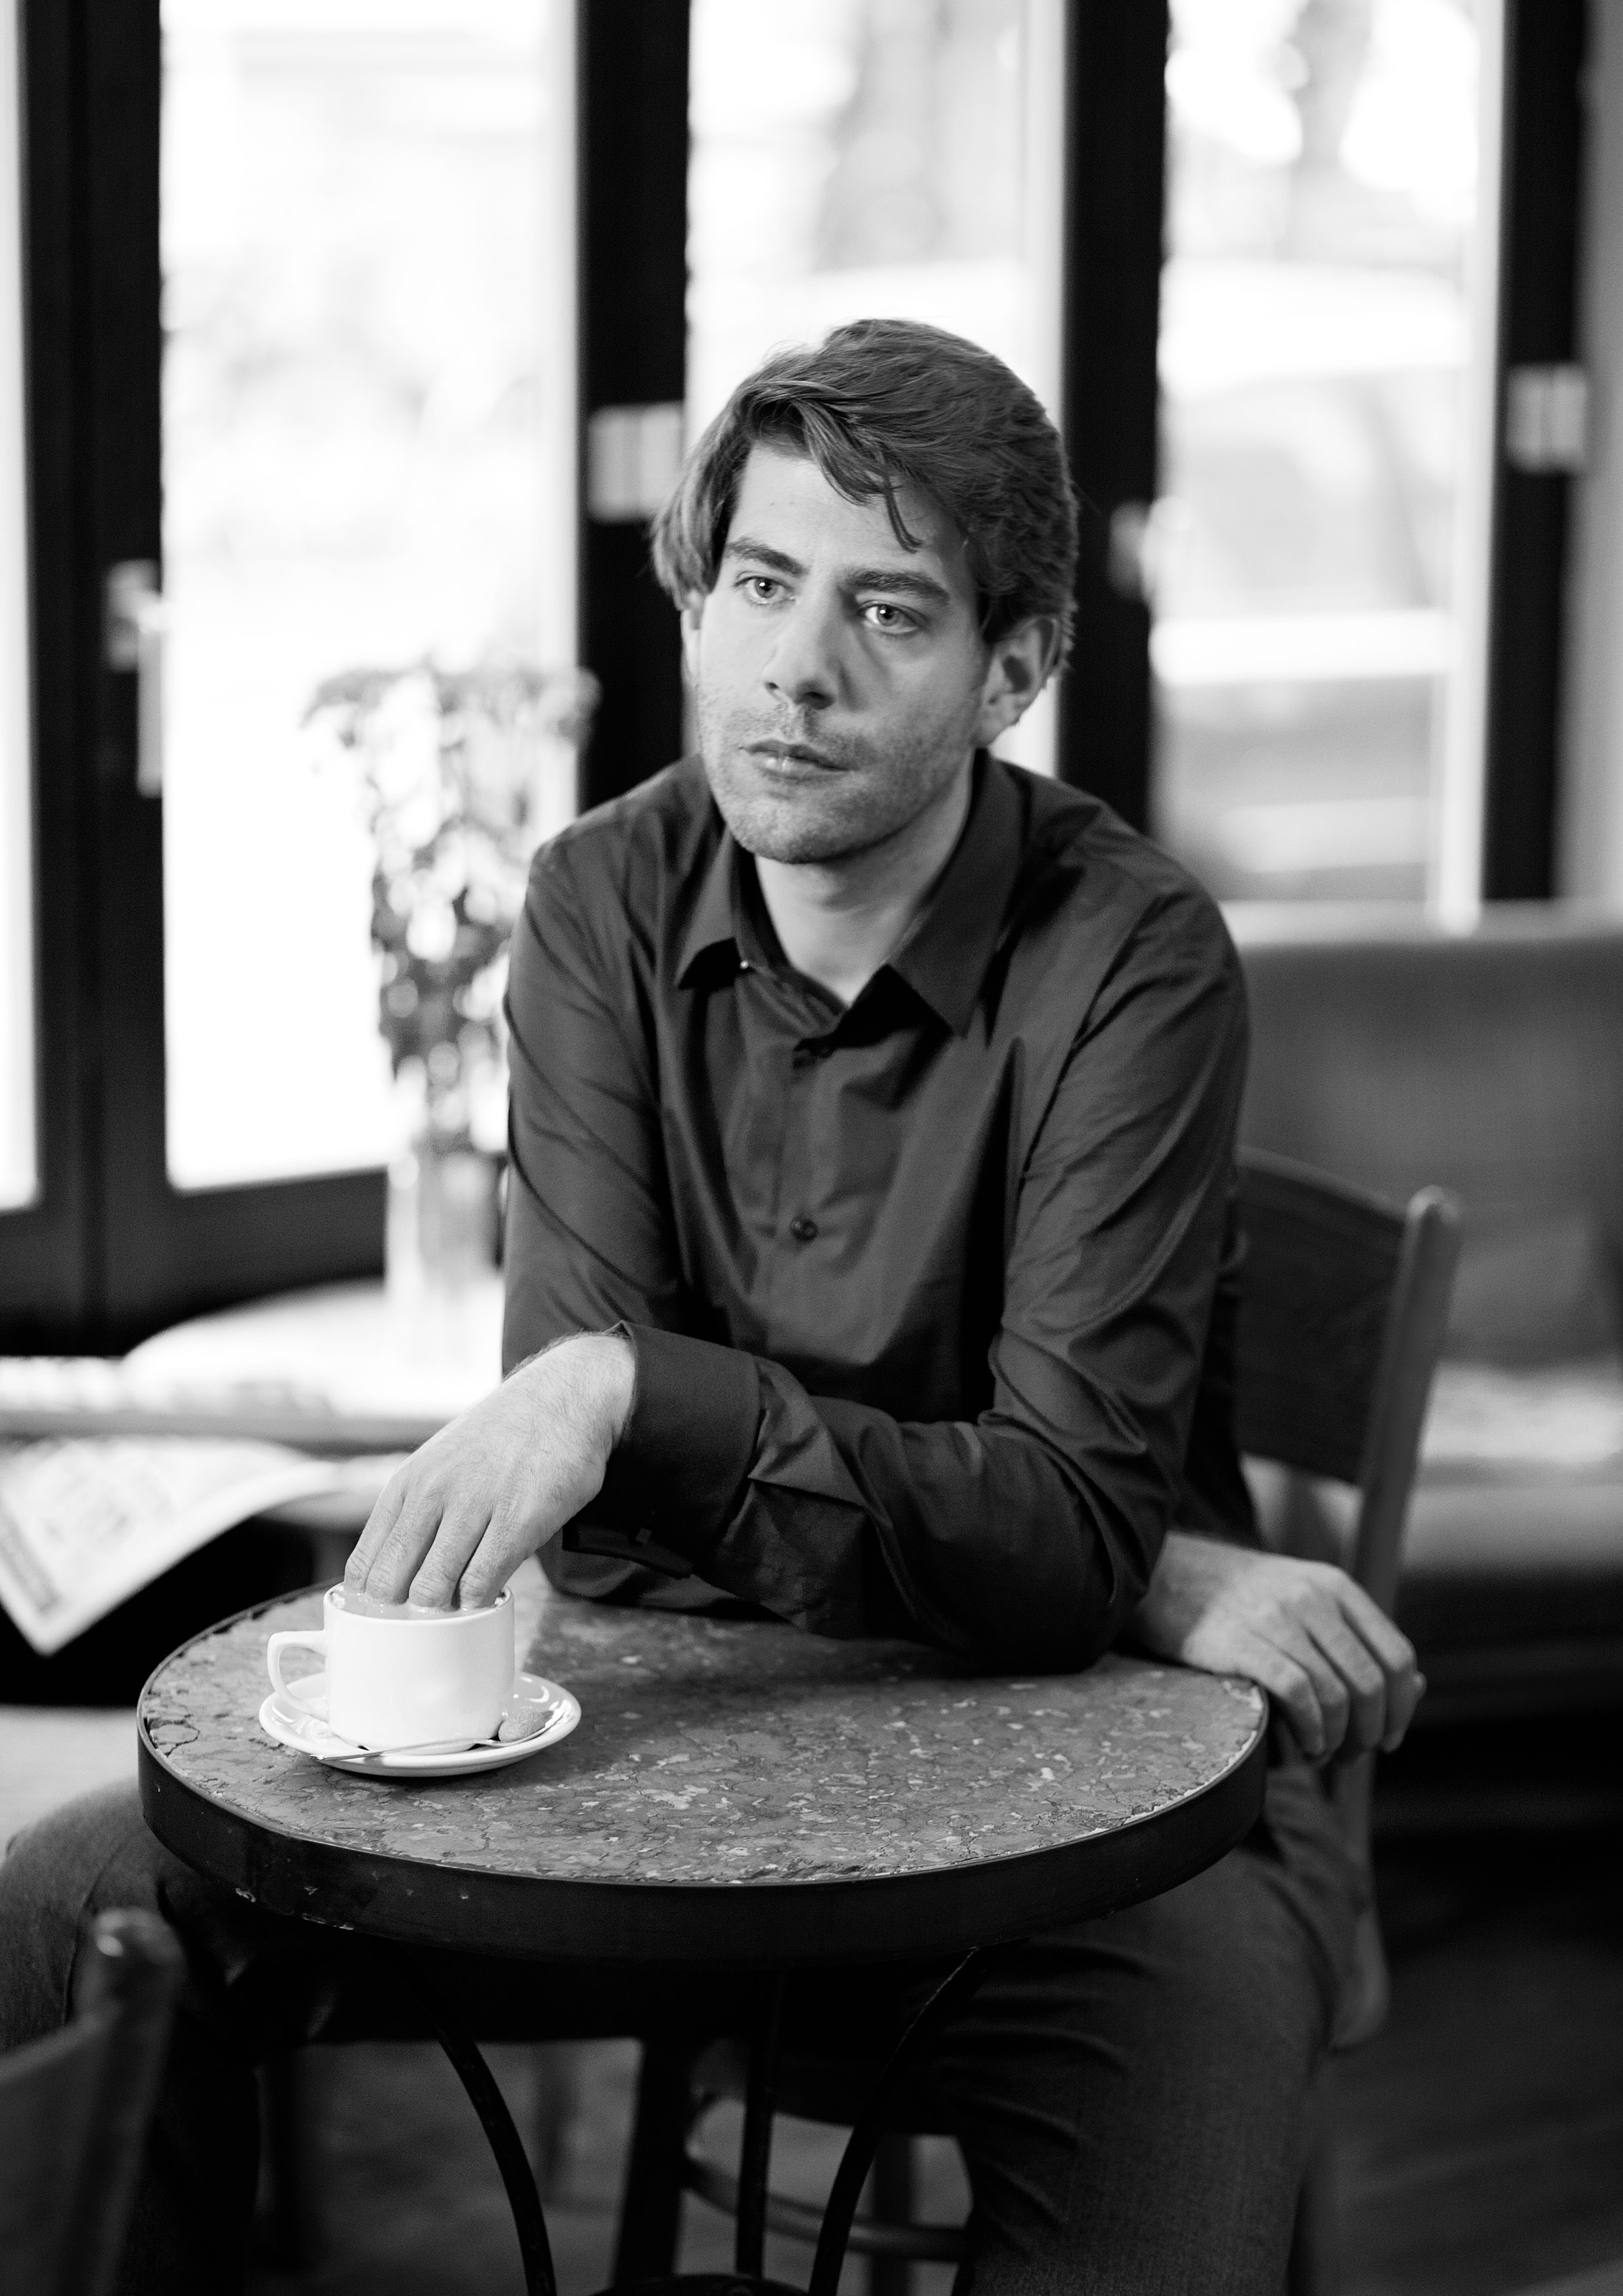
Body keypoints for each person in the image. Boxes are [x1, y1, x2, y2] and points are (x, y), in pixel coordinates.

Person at [0, 319, 1421, 2294]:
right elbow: (614, 1537)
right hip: (663, 1775)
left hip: (1098, 1821)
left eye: (888, 612)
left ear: (1014, 669)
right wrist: (1127, 1554)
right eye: (759, 583)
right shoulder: (599, 900)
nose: (795, 669)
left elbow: (1039, 1547)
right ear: (695, 598)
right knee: (60, 1911)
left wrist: (642, 1399)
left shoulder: (1134, 955)